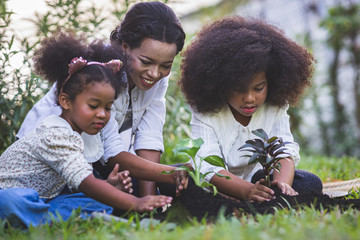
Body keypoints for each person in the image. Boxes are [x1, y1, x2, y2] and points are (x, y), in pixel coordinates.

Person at [0, 32, 182, 228]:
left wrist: (110, 187)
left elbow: (81, 183)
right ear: (65, 101)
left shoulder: (83, 132)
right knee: (11, 201)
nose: (102, 114)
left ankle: (58, 221)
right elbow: (86, 182)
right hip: (13, 195)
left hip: (46, 200)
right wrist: (136, 203)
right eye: (93, 106)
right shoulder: (55, 134)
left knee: (90, 200)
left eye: (108, 107)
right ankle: (64, 221)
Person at [16, 1, 186, 197]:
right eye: (146, 62)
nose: (155, 73)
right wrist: (166, 175)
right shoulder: (98, 74)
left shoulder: (154, 78)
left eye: (166, 65)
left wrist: (150, 197)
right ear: (125, 47)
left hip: (94, 157)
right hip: (52, 165)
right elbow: (112, 156)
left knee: (150, 183)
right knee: (114, 190)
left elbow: (149, 135)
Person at [178, 16, 323, 202]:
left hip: (259, 179)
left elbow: (284, 149)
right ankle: (242, 199)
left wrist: (281, 186)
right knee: (179, 180)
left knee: (310, 183)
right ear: (220, 84)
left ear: (271, 82)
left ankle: (265, 196)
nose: (249, 98)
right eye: (238, 89)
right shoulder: (206, 111)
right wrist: (246, 191)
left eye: (259, 88)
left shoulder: (274, 105)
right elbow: (207, 164)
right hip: (216, 184)